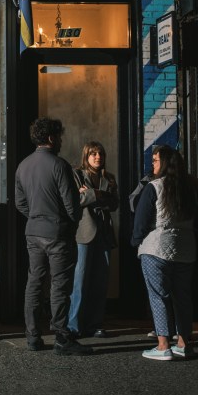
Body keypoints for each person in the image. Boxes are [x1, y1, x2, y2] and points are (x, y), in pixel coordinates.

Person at [13, 118, 88, 356]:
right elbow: (71, 205)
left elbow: (20, 203)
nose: (61, 141)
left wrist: (36, 216)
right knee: (59, 285)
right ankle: (61, 337)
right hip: (58, 233)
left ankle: (33, 336)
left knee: (34, 283)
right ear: (51, 138)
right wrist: (70, 221)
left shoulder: (23, 166)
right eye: (59, 136)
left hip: (33, 232)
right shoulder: (60, 165)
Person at [131, 145, 198, 361]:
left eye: (155, 160)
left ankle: (163, 345)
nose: (153, 164)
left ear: (166, 163)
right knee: (183, 297)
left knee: (158, 296)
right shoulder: (191, 187)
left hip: (157, 248)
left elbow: (141, 221)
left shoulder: (154, 187)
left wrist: (136, 241)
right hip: (186, 249)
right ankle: (183, 343)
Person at [68, 140, 118, 339]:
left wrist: (90, 194)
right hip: (83, 234)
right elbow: (74, 200)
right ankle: (74, 325)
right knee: (79, 282)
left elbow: (114, 203)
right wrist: (98, 195)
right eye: (94, 154)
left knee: (100, 282)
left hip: (104, 234)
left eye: (101, 154)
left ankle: (95, 324)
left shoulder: (110, 178)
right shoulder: (77, 175)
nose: (98, 157)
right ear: (86, 156)